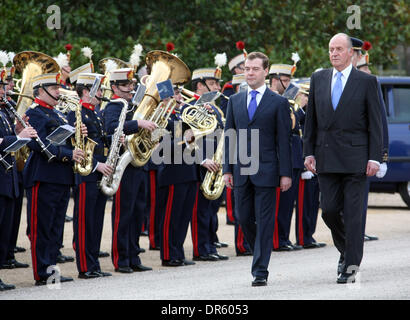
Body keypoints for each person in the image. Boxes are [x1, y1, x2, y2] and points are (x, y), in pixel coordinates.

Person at [303, 33, 383, 284]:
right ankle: (347, 250)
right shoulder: (319, 78)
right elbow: (311, 120)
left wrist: (376, 157)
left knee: (353, 215)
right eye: (330, 49)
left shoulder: (366, 82)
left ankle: (350, 265)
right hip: (327, 157)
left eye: (339, 49)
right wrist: (308, 151)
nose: (334, 53)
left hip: (356, 158)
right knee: (328, 210)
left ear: (351, 53)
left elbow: (376, 123)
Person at [223, 51, 292, 287]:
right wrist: (227, 169)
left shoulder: (279, 102)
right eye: (246, 68)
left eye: (254, 69)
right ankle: (260, 251)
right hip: (241, 171)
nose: (249, 72)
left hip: (268, 172)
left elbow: (284, 141)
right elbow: (229, 137)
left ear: (265, 71)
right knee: (241, 217)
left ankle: (260, 270)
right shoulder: (235, 101)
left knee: (264, 222)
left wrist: (285, 173)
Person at [24, 72, 86, 286]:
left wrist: (80, 134)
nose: (59, 92)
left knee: (55, 228)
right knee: (42, 227)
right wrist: (68, 154)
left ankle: (51, 271)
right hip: (44, 175)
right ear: (40, 90)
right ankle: (43, 273)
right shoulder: (35, 113)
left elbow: (63, 140)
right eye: (54, 88)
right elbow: (37, 143)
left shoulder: (56, 114)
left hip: (61, 176)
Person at [104, 68, 155, 273]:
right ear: (114, 87)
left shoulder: (134, 105)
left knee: (138, 212)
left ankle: (134, 255)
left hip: (139, 164)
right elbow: (111, 128)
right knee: (123, 213)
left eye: (132, 85)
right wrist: (137, 123)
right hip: (123, 167)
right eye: (126, 85)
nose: (130, 89)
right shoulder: (114, 106)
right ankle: (121, 258)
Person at [66, 72, 113, 279]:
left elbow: (100, 141)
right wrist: (96, 166)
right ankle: (85, 267)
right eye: (98, 89)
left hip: (98, 174)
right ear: (86, 91)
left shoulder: (93, 113)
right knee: (85, 221)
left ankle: (94, 264)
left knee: (96, 221)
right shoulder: (76, 113)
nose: (101, 93)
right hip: (86, 175)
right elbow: (75, 146)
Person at [0, 65, 37, 291]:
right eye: (3, 86)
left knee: (4, 229)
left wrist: (17, 128)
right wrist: (18, 135)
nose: (6, 90)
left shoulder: (4, 111)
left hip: (8, 178)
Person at [189, 67, 229, 262]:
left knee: (212, 210)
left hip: (217, 163)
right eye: (213, 84)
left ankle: (210, 244)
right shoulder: (189, 106)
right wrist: (202, 159)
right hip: (199, 166)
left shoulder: (216, 109)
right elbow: (185, 139)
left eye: (217, 84)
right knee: (201, 210)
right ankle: (201, 248)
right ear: (200, 85)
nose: (218, 87)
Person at [354, 38, 389, 242]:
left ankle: (357, 230)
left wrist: (382, 156)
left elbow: (380, 122)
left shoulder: (370, 83)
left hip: (364, 152)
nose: (366, 71)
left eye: (365, 67)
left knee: (360, 197)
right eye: (362, 67)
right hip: (339, 153)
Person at [269, 61, 304, 252]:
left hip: (293, 156)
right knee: (279, 203)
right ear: (275, 81)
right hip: (280, 157)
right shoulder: (273, 101)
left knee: (288, 203)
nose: (289, 85)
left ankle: (283, 237)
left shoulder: (286, 102)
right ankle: (277, 240)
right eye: (285, 80)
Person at [294, 83, 326, 249]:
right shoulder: (297, 114)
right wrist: (302, 167)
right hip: (303, 166)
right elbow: (298, 141)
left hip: (315, 164)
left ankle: (309, 235)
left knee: (313, 203)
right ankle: (302, 236)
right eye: (305, 95)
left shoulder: (310, 114)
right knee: (303, 204)